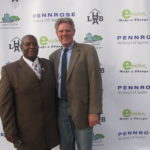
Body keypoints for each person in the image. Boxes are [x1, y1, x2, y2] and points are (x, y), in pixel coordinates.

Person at [49, 17, 103, 150]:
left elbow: (95, 82)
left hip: (83, 110)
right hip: (61, 108)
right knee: (66, 146)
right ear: (57, 34)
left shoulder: (87, 51)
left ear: (73, 32)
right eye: (61, 31)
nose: (64, 34)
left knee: (84, 147)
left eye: (67, 30)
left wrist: (94, 111)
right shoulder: (53, 56)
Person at [0, 35, 59, 150]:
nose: (31, 47)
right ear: (21, 47)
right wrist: (9, 130)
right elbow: (5, 104)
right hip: (26, 134)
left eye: (34, 44)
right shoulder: (9, 70)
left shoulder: (49, 65)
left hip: (49, 132)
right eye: (27, 44)